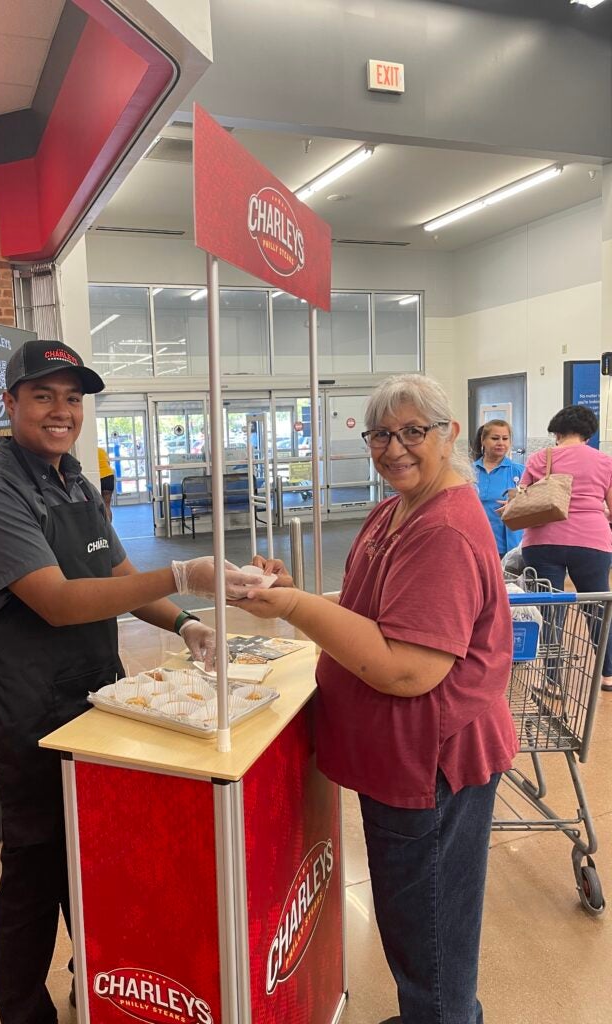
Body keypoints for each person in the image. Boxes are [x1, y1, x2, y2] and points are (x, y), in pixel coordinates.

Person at [0, 339, 256, 1024]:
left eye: (73, 398)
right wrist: (185, 573)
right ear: (10, 404)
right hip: (29, 708)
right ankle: (24, 1013)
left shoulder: (77, 482)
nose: (61, 411)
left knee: (93, 858)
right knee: (33, 871)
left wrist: (184, 623)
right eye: (43, 396)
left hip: (97, 695)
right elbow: (59, 600)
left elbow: (117, 582)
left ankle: (91, 982)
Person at [238, 374, 517, 1024]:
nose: (395, 448)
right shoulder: (400, 507)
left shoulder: (441, 529)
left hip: (430, 766)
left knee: (432, 936)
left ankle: (441, 1016)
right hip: (402, 761)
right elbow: (375, 614)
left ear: (449, 435)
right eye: (381, 434)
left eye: (413, 431)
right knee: (415, 922)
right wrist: (296, 587)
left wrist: (296, 607)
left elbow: (406, 669)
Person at [520, 404, 612, 691]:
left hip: (543, 540)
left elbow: (523, 500)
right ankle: (608, 675)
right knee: (598, 608)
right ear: (589, 433)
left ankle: (552, 681)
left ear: (556, 432)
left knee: (551, 610)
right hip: (592, 542)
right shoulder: (605, 462)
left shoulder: (540, 458)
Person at [472, 418, 525, 556]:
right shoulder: (468, 472)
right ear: (483, 440)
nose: (501, 443)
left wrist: (516, 505)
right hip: (475, 544)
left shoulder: (520, 471)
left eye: (505, 438)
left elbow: (535, 508)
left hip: (509, 547)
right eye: (495, 438)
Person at [97, 445, 115, 519]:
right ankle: (109, 527)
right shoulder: (102, 450)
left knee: (98, 505)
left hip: (99, 477)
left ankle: (102, 527)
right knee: (107, 506)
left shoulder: (89, 452)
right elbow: (108, 463)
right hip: (108, 477)